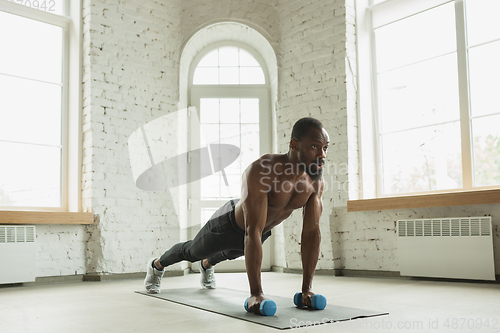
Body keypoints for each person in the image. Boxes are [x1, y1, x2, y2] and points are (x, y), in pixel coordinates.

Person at [144, 117, 329, 315]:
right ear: (294, 145)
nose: (322, 155)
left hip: (260, 231)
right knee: (192, 252)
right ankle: (157, 265)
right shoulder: (262, 170)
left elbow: (311, 233)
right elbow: (252, 231)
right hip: (227, 225)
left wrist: (306, 290)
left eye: (325, 148)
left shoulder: (315, 182)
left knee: (228, 254)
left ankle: (206, 266)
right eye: (314, 147)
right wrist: (256, 294)